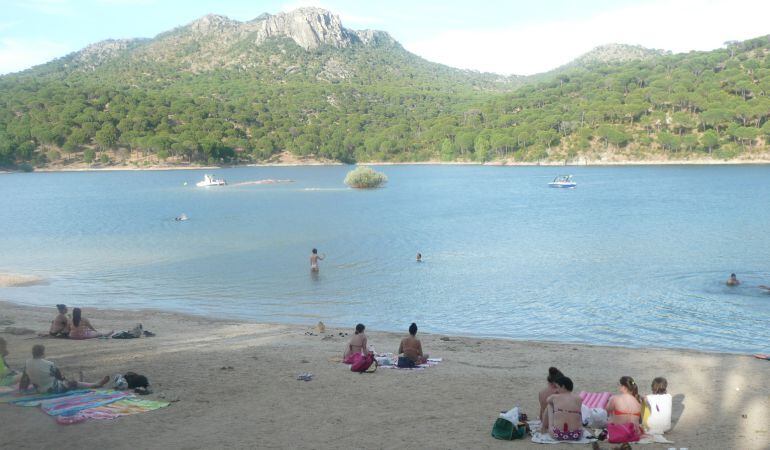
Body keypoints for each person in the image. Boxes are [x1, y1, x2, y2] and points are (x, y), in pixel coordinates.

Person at [19, 344, 109, 393]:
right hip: (52, 389)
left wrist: (23, 390)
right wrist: (64, 380)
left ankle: (89, 383)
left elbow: (25, 379)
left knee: (69, 382)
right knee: (73, 383)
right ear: (43, 353)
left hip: (39, 388)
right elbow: (59, 377)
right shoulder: (49, 364)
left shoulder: (27, 363)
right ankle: (96, 384)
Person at [543, 376, 583, 441]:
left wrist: (555, 396)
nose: (556, 390)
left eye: (557, 387)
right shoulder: (579, 399)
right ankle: (579, 428)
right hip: (576, 435)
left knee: (549, 405)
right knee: (576, 411)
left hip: (557, 434)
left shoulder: (554, 397)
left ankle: (543, 428)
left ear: (563, 386)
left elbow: (547, 400)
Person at [605, 376, 643, 443]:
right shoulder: (638, 403)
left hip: (620, 432)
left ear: (624, 387)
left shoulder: (615, 399)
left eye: (620, 385)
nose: (619, 387)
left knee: (611, 415)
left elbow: (607, 410)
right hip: (634, 434)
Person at [538, 367, 564, 431]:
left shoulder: (541, 392)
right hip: (556, 424)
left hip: (545, 422)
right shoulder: (559, 392)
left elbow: (541, 412)